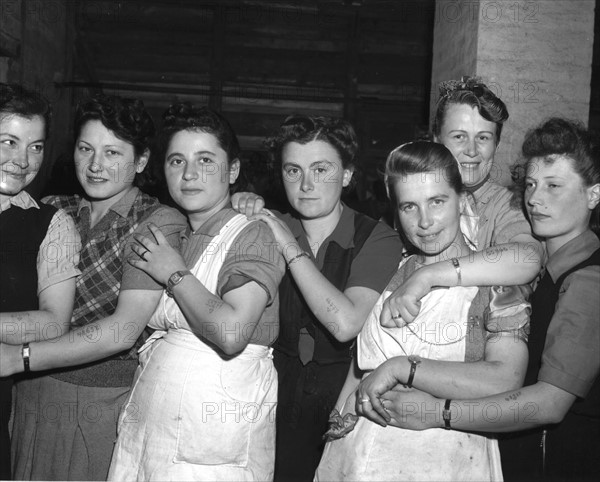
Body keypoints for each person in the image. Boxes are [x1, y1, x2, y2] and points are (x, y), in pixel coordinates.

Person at [376, 119, 600, 482]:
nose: (535, 198)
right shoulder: (541, 266)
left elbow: (549, 404)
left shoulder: (588, 280)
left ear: (593, 195)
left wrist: (438, 413)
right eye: (530, 184)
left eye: (554, 186)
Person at [314, 141, 530, 481]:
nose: (425, 221)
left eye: (437, 201)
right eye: (409, 207)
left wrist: (404, 369)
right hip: (357, 456)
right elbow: (363, 364)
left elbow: (506, 379)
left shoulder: (499, 282)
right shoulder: (387, 269)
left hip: (447, 460)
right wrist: (339, 419)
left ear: (462, 200)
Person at [3, 94, 186, 481]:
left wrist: (19, 357)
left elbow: (122, 331)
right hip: (29, 395)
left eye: (112, 153)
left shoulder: (157, 220)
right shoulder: (54, 208)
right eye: (85, 149)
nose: (95, 165)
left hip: (100, 403)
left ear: (140, 161)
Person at [107, 103, 285, 480]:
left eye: (206, 160)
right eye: (176, 161)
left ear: (232, 170)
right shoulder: (178, 232)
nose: (189, 174)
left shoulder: (253, 235)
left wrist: (173, 272)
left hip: (210, 442)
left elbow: (232, 333)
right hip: (155, 433)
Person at [233, 114, 403, 481]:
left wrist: (288, 246)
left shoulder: (378, 238)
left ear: (346, 175)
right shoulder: (267, 225)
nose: (306, 184)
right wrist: (237, 201)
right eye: (293, 171)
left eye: (321, 170)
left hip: (344, 393)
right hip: (270, 390)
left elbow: (344, 324)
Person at [380, 77, 542, 327]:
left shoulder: (507, 204)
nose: (472, 151)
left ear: (496, 144)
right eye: (459, 137)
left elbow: (527, 259)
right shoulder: (409, 200)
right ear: (436, 140)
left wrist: (428, 275)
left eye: (484, 138)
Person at [0, 83, 80, 480]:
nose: (21, 159)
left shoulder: (50, 225)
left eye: (35, 146)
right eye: (8, 142)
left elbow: (53, 322)